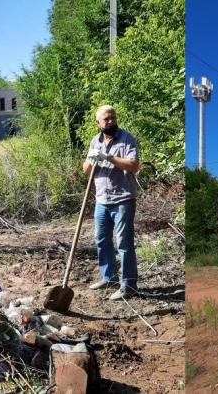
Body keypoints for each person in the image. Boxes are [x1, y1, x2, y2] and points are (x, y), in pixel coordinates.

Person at [83, 105, 140, 301]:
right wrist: (92, 160)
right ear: (98, 123)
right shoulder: (95, 141)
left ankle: (129, 285)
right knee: (102, 239)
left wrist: (109, 157)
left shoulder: (127, 138)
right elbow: (86, 171)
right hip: (102, 199)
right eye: (106, 119)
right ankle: (109, 277)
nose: (110, 122)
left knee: (124, 243)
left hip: (123, 198)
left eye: (112, 118)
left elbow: (134, 165)